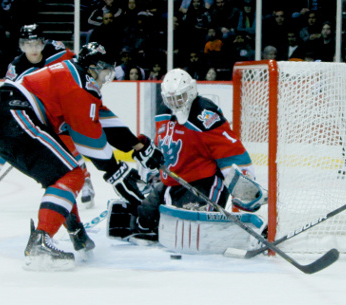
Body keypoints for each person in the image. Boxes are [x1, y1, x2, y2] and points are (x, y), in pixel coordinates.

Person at [0, 42, 162, 270]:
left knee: (60, 176)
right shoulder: (78, 85)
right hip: (15, 115)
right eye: (106, 71)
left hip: (2, 117)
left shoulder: (74, 77)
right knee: (74, 174)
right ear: (94, 67)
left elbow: (103, 120)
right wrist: (116, 172)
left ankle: (74, 228)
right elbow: (90, 141)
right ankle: (41, 240)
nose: (107, 78)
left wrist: (137, 145)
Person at [107, 69, 265, 243]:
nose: (175, 103)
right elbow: (165, 144)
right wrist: (150, 162)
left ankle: (247, 232)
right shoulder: (163, 111)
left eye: (179, 98)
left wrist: (246, 185)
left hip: (204, 181)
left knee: (186, 227)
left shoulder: (204, 114)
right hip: (172, 182)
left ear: (190, 92)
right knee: (144, 220)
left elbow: (231, 150)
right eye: (170, 99)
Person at [0, 24, 97, 207]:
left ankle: (86, 183)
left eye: (36, 44)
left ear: (43, 43)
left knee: (67, 145)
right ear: (21, 46)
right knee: (6, 147)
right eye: (28, 45)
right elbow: (9, 95)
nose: (33, 49)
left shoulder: (57, 50)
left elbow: (77, 68)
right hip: (33, 111)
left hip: (58, 108)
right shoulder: (16, 68)